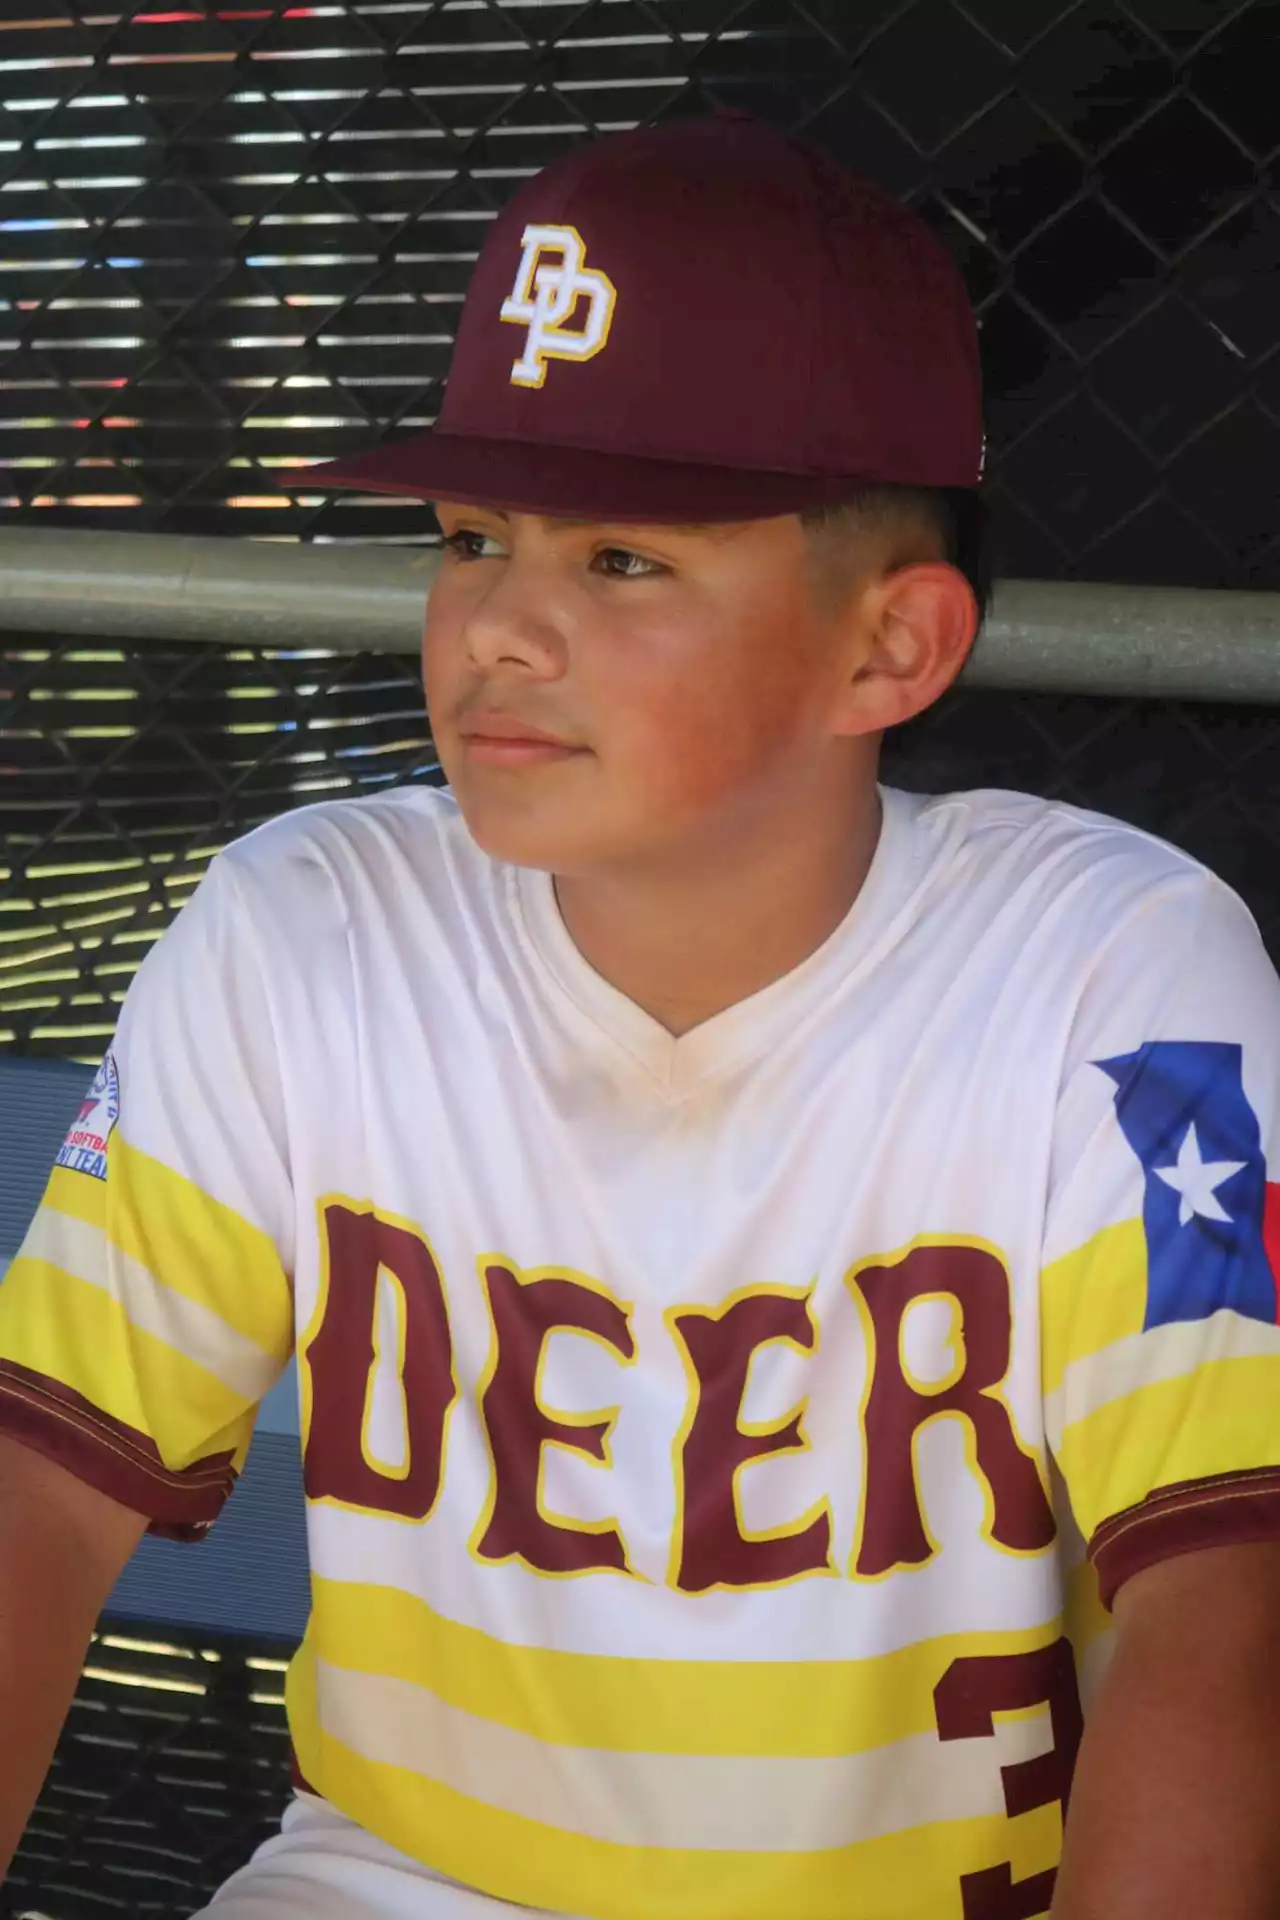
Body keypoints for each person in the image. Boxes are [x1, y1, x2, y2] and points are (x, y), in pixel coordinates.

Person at [1, 113, 1278, 1920]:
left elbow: (1230, 1608)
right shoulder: (309, 924)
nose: (499, 630)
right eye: (469, 536)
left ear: (888, 650)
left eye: (622, 562)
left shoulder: (1116, 966)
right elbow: (38, 1491)